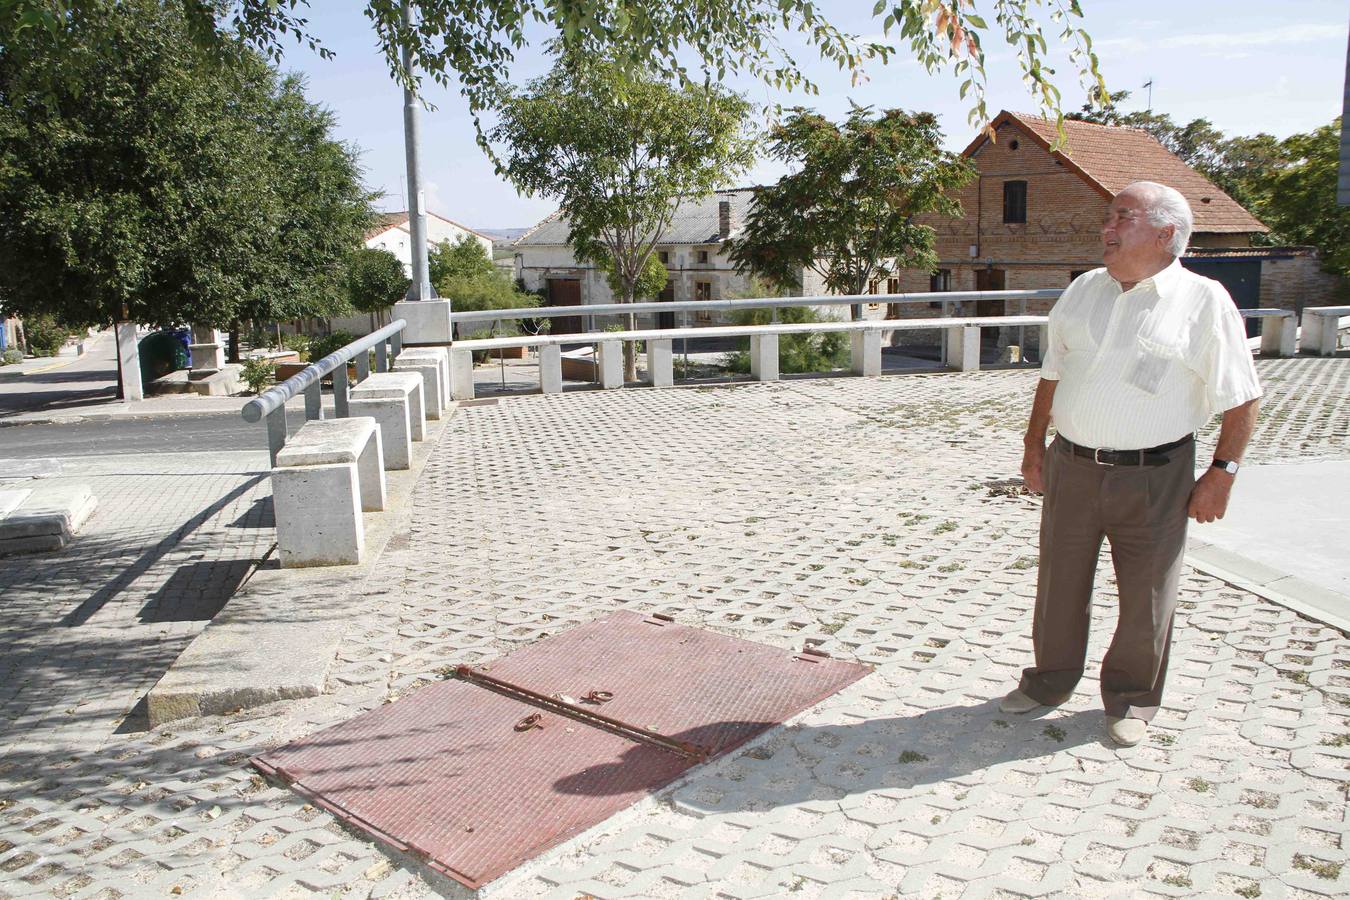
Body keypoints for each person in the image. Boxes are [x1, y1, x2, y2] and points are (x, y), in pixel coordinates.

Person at [1000, 181, 1261, 747]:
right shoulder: (1084, 288)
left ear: (1166, 234)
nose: (1107, 227)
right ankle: (1048, 682)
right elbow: (1052, 372)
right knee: (1059, 584)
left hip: (1155, 475)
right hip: (1071, 465)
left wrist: (1222, 474)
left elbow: (1242, 397)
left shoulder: (1204, 301)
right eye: (1109, 216)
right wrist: (1033, 446)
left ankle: (1132, 698)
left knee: (1147, 594)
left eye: (1123, 217)